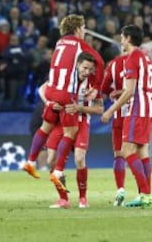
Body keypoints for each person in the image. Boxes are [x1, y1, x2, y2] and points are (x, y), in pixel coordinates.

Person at [23, 14, 104, 191]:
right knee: (71, 131)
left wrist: (49, 101)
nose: (84, 32)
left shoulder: (59, 43)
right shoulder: (79, 44)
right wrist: (97, 86)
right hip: (66, 93)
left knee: (45, 128)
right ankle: (58, 171)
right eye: (83, 28)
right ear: (77, 29)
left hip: (51, 91)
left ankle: (30, 161)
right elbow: (99, 60)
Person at [40, 52, 104, 208]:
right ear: (77, 65)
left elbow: (100, 109)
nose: (87, 72)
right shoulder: (65, 78)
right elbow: (42, 89)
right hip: (62, 121)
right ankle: (63, 199)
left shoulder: (93, 83)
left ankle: (83, 198)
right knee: (51, 160)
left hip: (81, 121)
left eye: (90, 69)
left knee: (79, 158)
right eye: (84, 68)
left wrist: (79, 107)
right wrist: (49, 102)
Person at [101, 25, 152, 208]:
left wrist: (109, 110)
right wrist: (121, 92)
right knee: (141, 152)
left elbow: (131, 91)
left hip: (137, 108)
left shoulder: (132, 58)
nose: (121, 40)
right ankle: (146, 194)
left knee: (125, 151)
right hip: (148, 107)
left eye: (122, 37)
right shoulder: (146, 58)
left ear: (129, 38)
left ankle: (145, 194)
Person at [101, 52, 129, 206]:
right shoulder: (145, 61)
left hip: (119, 113)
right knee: (140, 154)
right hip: (139, 115)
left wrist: (118, 91)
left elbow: (104, 89)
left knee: (119, 154)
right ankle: (144, 193)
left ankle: (120, 189)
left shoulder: (113, 64)